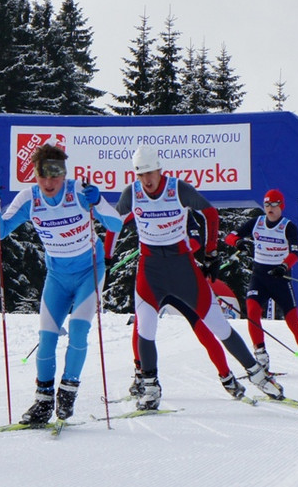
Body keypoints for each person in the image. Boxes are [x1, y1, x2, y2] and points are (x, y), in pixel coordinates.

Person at [107, 145, 283, 410]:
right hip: (150, 270)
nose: (147, 180)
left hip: (183, 270)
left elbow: (210, 214)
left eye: (150, 173)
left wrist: (211, 254)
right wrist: (107, 258)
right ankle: (150, 386)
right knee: (145, 328)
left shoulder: (177, 188)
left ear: (159, 169)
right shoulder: (131, 193)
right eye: (141, 174)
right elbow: (114, 223)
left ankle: (257, 374)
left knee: (219, 327)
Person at [0, 144, 122, 424]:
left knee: (78, 330)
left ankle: (67, 393)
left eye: (55, 176)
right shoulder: (29, 199)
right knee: (46, 338)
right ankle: (43, 401)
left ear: (64, 174)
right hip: (57, 276)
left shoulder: (79, 192)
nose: (49, 183)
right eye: (42, 176)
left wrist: (98, 202)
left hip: (89, 272)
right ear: (35, 175)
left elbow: (116, 225)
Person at [116, 210, 240, 401]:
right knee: (141, 327)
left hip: (180, 280)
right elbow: (120, 220)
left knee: (203, 329)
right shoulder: (145, 208)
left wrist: (174, 249)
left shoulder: (182, 211)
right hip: (154, 280)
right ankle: (142, 374)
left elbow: (196, 239)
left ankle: (227, 376)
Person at [223, 188, 298, 376]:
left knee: (292, 320)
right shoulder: (257, 222)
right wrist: (238, 242)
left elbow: (295, 253)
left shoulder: (288, 226)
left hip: (279, 278)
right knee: (253, 312)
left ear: (281, 206)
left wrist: (284, 267)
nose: (270, 208)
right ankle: (260, 357)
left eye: (274, 205)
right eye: (267, 204)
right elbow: (229, 237)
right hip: (259, 276)